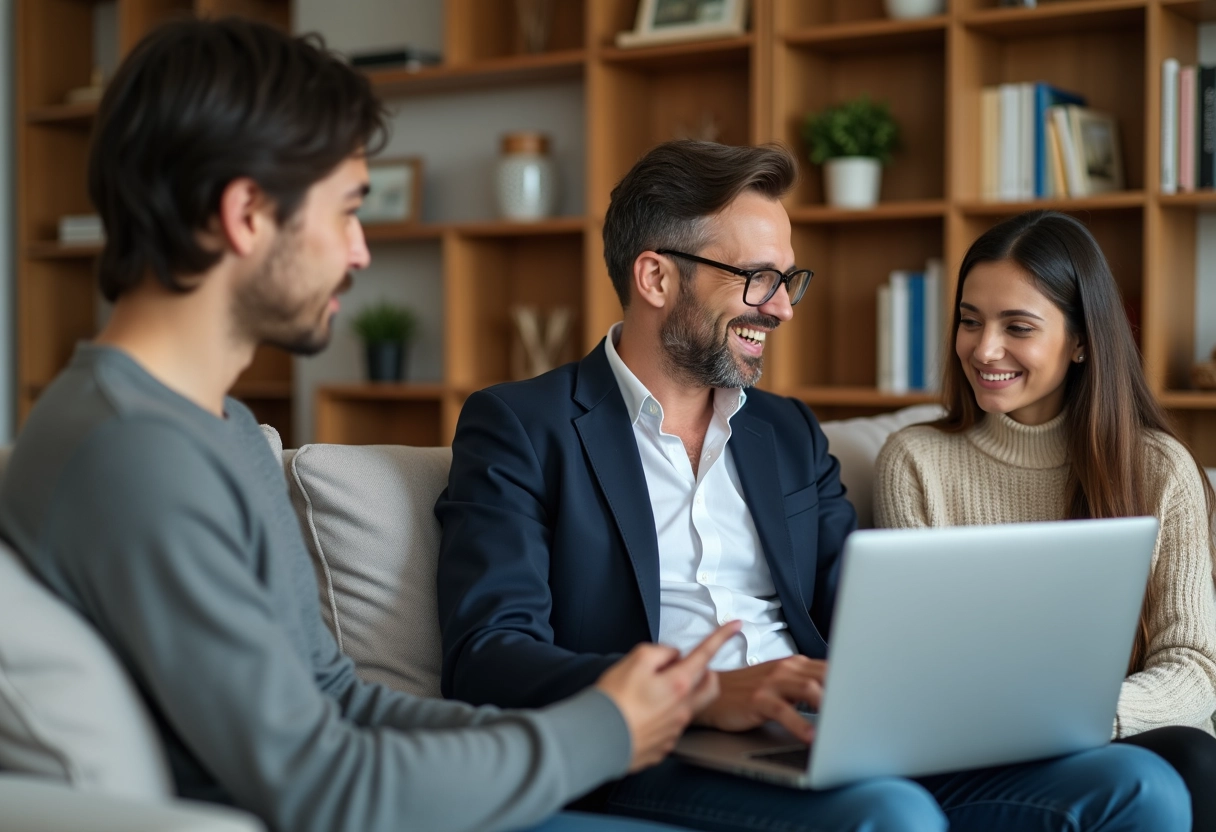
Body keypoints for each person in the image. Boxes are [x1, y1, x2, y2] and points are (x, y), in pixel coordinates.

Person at [0, 17, 743, 832]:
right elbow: (323, 786)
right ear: (247, 213)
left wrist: (596, 725)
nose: (360, 251)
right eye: (347, 210)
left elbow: (337, 695)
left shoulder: (222, 431)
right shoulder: (135, 455)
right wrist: (601, 731)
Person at [435, 141, 1191, 831]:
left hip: (815, 738)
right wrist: (699, 693)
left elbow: (863, 613)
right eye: (760, 279)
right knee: (890, 815)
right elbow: (488, 653)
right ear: (657, 276)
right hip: (660, 749)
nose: (784, 307)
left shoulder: (787, 433)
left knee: (1137, 786)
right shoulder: (523, 425)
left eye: (788, 279)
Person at [875, 209, 1216, 829]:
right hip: (973, 753)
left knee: (1195, 759)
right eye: (970, 321)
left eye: (1018, 326)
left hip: (1119, 736)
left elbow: (1194, 668)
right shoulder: (915, 462)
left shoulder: (1159, 468)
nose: (984, 349)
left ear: (1082, 340)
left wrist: (1082, 717)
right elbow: (922, 666)